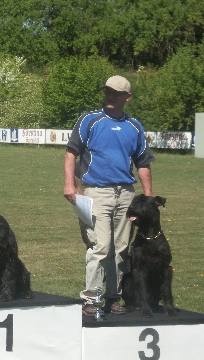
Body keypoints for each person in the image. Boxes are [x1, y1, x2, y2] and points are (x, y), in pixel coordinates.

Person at [63, 75, 155, 316]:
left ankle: (114, 298)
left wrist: (148, 197)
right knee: (100, 246)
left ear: (128, 97)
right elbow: (71, 152)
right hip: (96, 192)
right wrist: (69, 185)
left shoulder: (134, 126)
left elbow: (143, 163)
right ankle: (91, 299)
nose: (110, 96)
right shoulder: (90, 120)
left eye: (116, 92)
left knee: (121, 248)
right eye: (107, 92)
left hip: (126, 193)